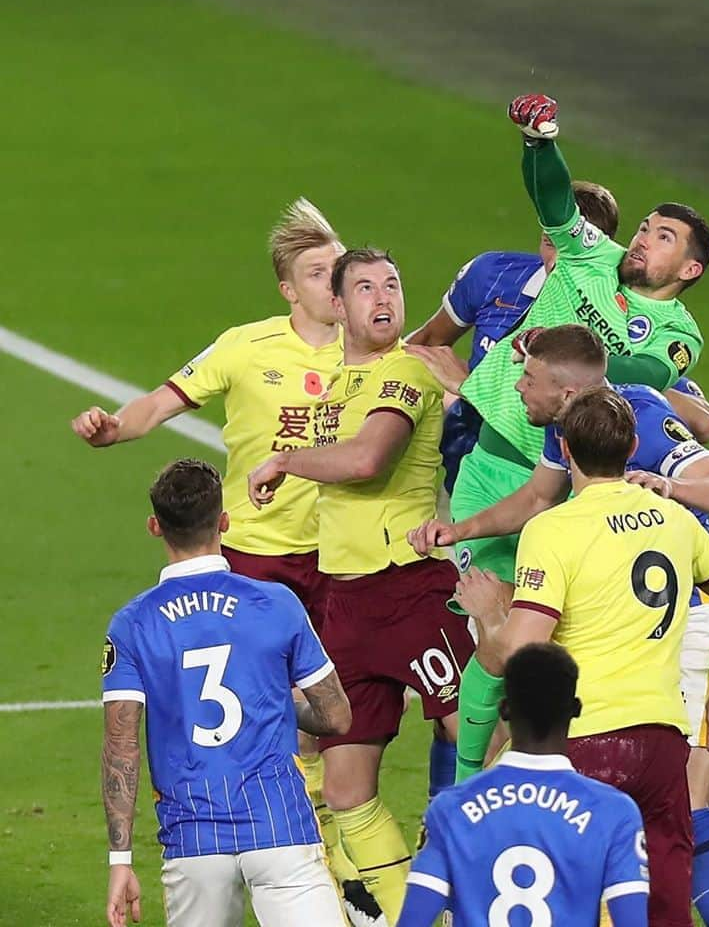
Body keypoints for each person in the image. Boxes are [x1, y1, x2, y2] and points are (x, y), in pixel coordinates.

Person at [410, 324, 709, 924]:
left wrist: (490, 611)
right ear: (626, 451)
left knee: (538, 849)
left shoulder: (561, 529)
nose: (519, 385)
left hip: (596, 722)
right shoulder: (670, 518)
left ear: (570, 427)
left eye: (528, 377)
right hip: (659, 725)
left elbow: (518, 656)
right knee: (669, 862)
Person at [71, 199, 369, 911]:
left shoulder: (377, 356)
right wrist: (113, 430)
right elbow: (160, 402)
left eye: (340, 269)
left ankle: (337, 865)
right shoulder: (245, 346)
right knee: (289, 728)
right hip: (261, 560)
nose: (335, 284)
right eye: (317, 273)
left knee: (346, 725)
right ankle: (309, 873)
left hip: (345, 559)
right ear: (288, 290)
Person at [424, 94, 709, 786]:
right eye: (645, 227)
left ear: (689, 270)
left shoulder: (679, 335)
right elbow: (554, 200)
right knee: (492, 641)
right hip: (496, 469)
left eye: (664, 237)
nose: (644, 238)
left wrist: (573, 357)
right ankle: (466, 787)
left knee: (550, 647)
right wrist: (539, 141)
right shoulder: (591, 255)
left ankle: (547, 779)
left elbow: (645, 370)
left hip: (572, 499)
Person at [247, 248, 476, 925]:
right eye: (367, 287)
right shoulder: (329, 380)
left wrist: (285, 459)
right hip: (344, 606)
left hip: (411, 591)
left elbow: (367, 459)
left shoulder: (405, 368)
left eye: (394, 285)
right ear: (339, 306)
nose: (385, 297)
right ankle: (413, 916)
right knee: (347, 788)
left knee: (483, 751)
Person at [100, 458, 352, 927]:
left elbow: (121, 744)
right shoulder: (275, 603)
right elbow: (337, 716)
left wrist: (121, 861)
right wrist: (277, 702)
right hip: (280, 827)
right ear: (224, 522)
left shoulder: (133, 624)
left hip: (192, 838)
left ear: (155, 527)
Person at [397, 644, 649, 927]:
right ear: (575, 710)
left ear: (504, 709)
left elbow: (413, 920)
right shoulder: (613, 812)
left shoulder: (450, 809)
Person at [406, 179, 620, 493]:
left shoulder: (614, 317)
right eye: (550, 242)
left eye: (573, 251)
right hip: (469, 459)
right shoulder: (493, 275)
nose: (557, 261)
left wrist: (468, 386)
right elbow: (427, 341)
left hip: (553, 479)